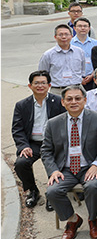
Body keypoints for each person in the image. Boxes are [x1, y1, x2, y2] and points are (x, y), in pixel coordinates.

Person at [42, 85, 97, 239]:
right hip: (65, 169)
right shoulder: (53, 123)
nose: (74, 102)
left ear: (85, 100)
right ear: (63, 102)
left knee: (93, 186)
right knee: (52, 191)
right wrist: (53, 170)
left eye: (78, 98)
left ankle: (93, 219)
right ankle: (73, 220)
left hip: (90, 167)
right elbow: (46, 150)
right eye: (69, 99)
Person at [12, 71, 66, 209]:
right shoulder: (22, 105)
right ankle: (33, 191)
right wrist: (23, 146)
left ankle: (52, 193)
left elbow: (66, 124)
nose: (40, 86)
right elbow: (17, 130)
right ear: (30, 86)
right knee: (21, 163)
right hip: (33, 143)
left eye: (43, 83)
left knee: (55, 162)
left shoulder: (59, 102)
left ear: (49, 85)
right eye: (36, 83)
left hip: (53, 142)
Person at [70, 17, 97, 90]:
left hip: (93, 78)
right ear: (74, 28)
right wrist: (79, 78)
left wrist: (92, 75)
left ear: (89, 28)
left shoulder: (96, 44)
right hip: (74, 80)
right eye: (80, 26)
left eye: (85, 26)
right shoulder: (69, 44)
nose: (82, 28)